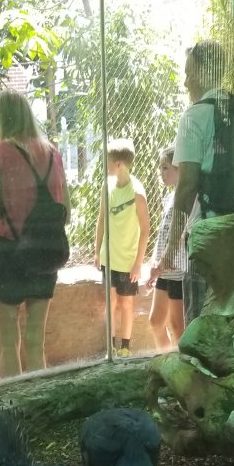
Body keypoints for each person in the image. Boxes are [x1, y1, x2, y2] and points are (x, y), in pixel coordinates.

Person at [0, 89, 70, 378]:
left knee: (10, 344)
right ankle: (39, 408)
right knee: (36, 342)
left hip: (10, 252)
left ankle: (12, 410)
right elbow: (65, 212)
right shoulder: (54, 153)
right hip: (46, 250)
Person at [151, 40, 230, 325]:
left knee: (197, 326)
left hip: (206, 235)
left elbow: (186, 187)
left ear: (202, 72)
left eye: (188, 73)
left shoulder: (194, 116)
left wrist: (172, 249)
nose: (185, 82)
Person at [94, 138, 150, 357]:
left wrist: (138, 264)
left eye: (108, 161)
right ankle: (110, 348)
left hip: (127, 261)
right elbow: (101, 219)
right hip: (109, 257)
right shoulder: (106, 186)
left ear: (119, 164)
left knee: (126, 304)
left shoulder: (137, 193)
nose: (106, 165)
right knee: (111, 303)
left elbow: (145, 229)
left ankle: (125, 348)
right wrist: (97, 250)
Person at [147, 147, 185, 350]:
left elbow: (180, 236)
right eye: (160, 168)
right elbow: (163, 234)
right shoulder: (168, 198)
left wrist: (162, 263)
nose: (161, 173)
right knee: (155, 322)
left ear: (179, 169)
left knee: (177, 326)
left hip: (178, 270)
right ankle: (166, 360)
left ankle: (180, 369)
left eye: (166, 168)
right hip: (163, 269)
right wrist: (154, 261)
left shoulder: (187, 197)